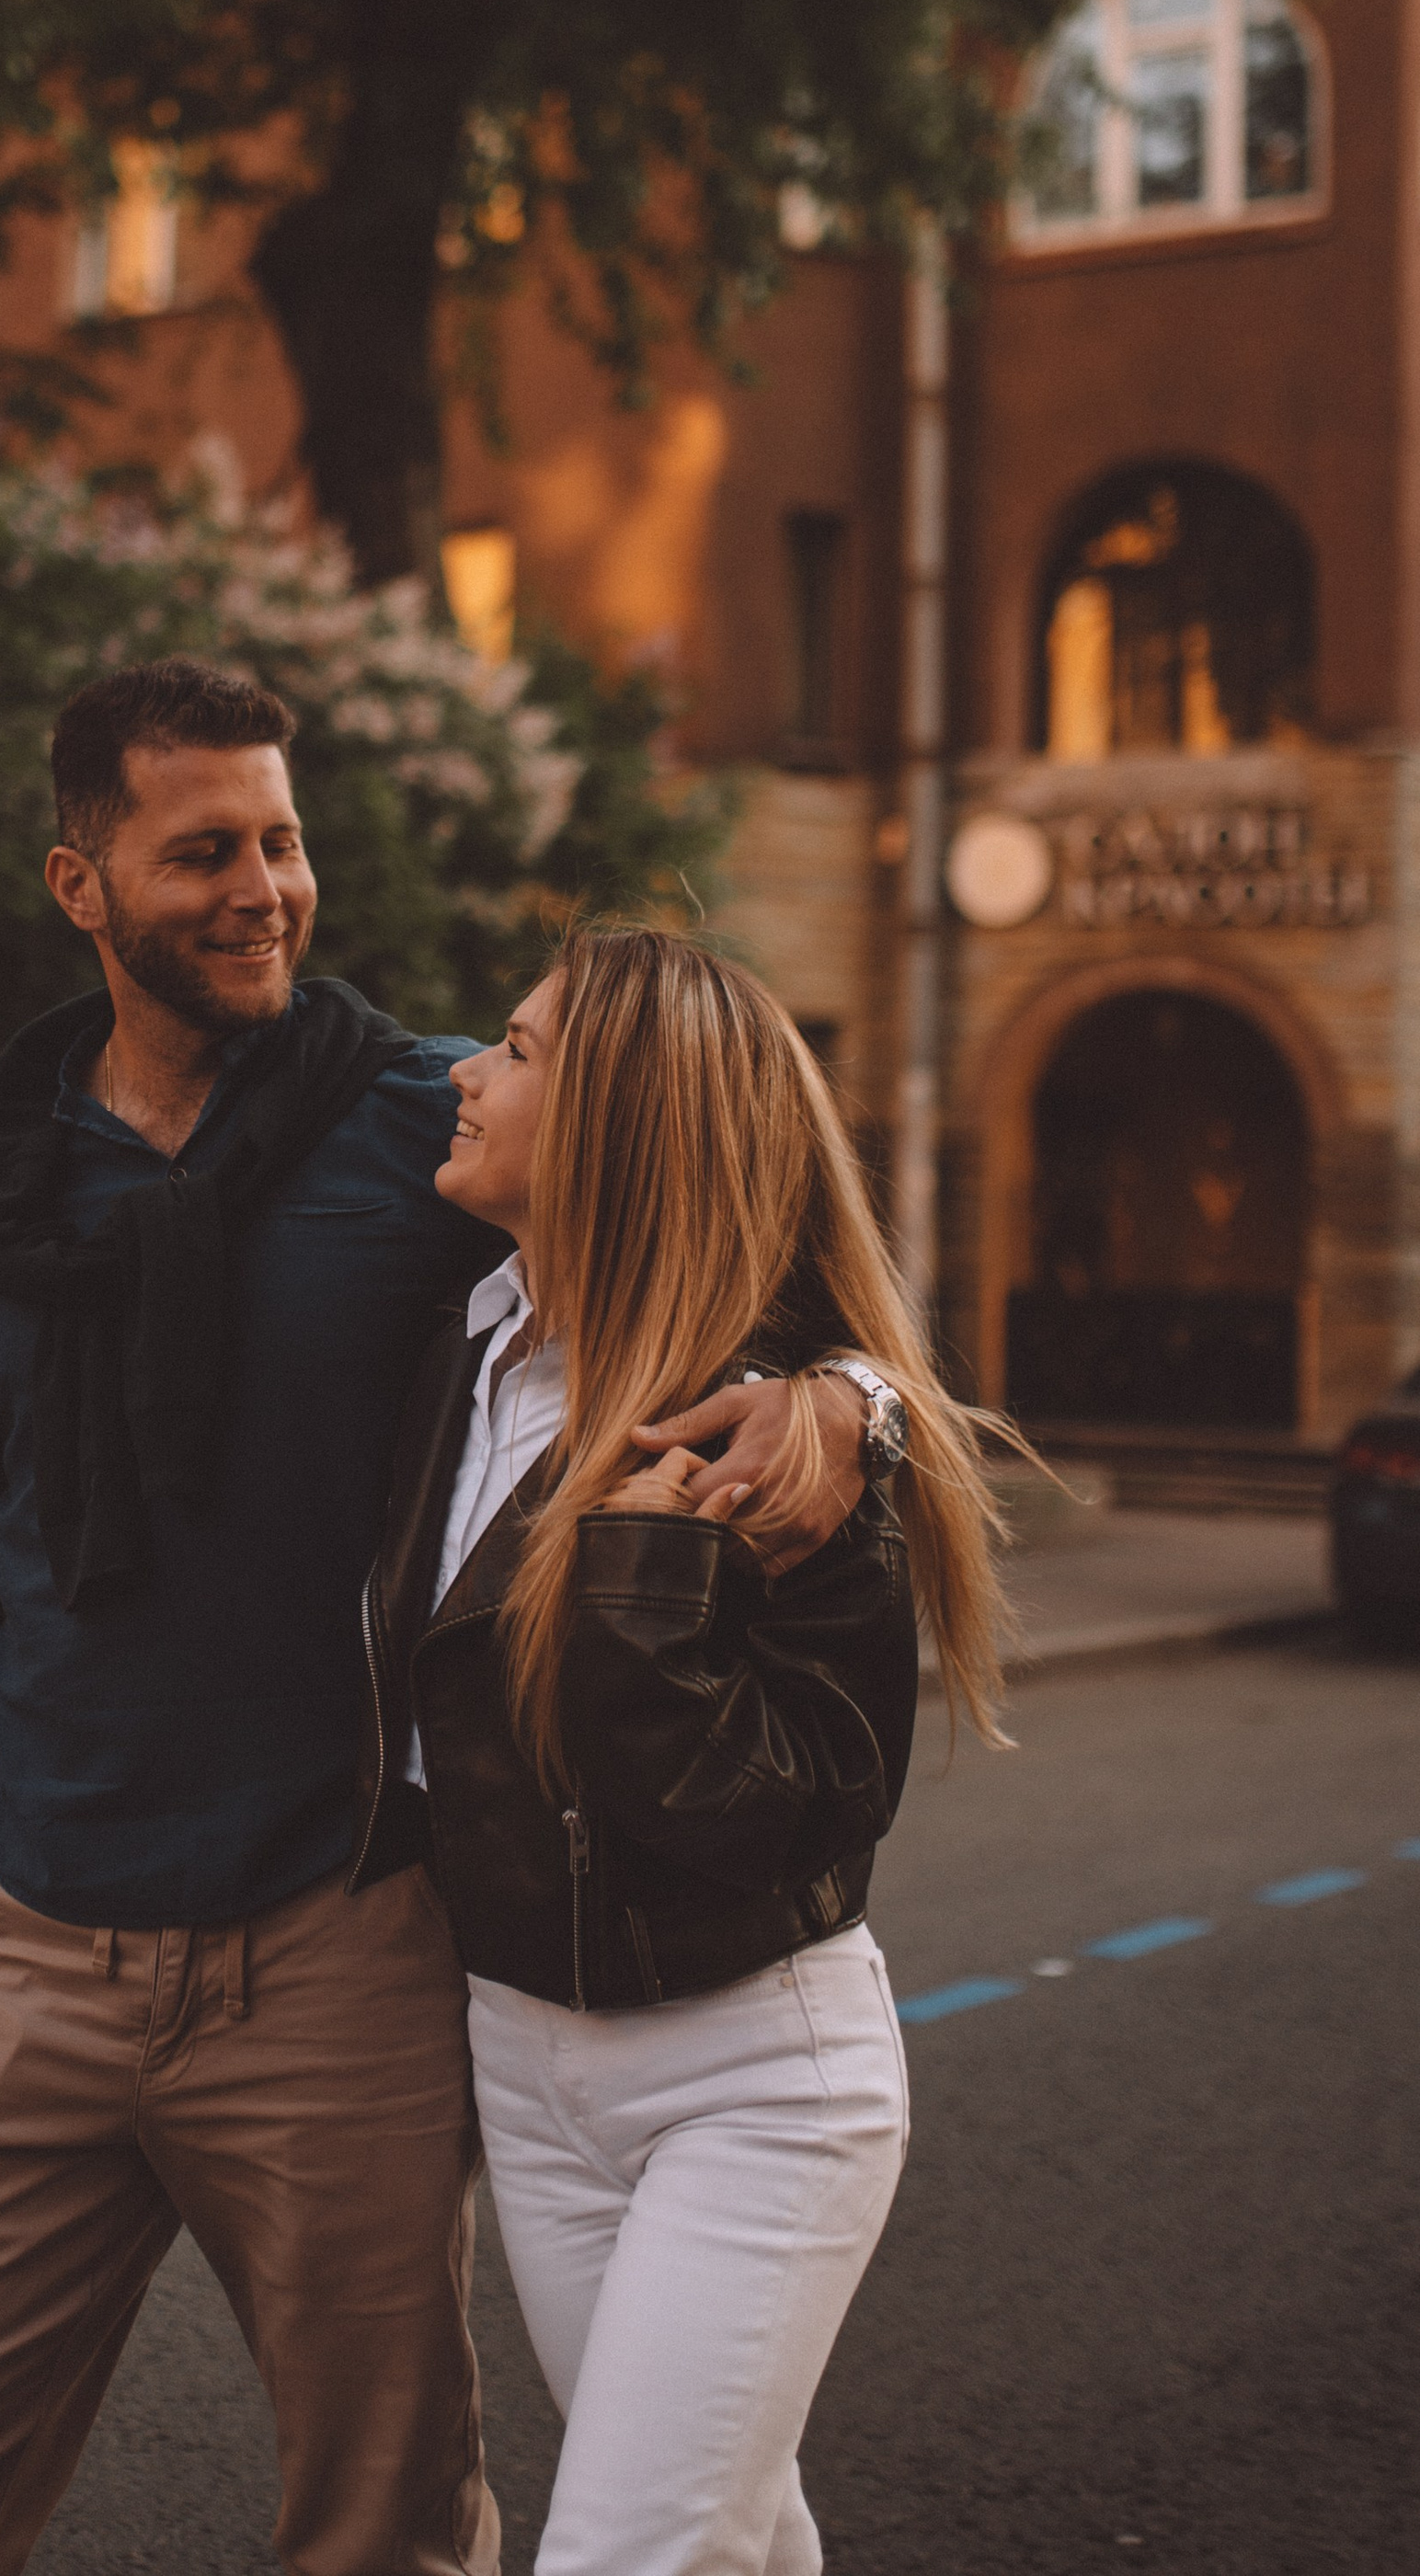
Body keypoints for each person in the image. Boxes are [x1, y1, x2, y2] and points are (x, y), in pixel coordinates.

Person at [0, 658, 873, 2576]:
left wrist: (848, 1390)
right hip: (26, 1934)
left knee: (380, 2537)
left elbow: (710, 1217)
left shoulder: (428, 1123)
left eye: (281, 841)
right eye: (200, 850)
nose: (261, 888)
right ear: (77, 883)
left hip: (342, 1947)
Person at [354, 924, 1013, 2576]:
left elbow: (784, 1816)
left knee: (629, 2553)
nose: (463, 1071)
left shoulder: (768, 1433)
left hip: (747, 2080)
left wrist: (653, 1576)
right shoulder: (465, 1347)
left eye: (511, 1047)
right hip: (525, 2056)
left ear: (616, 1122)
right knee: (739, 2535)